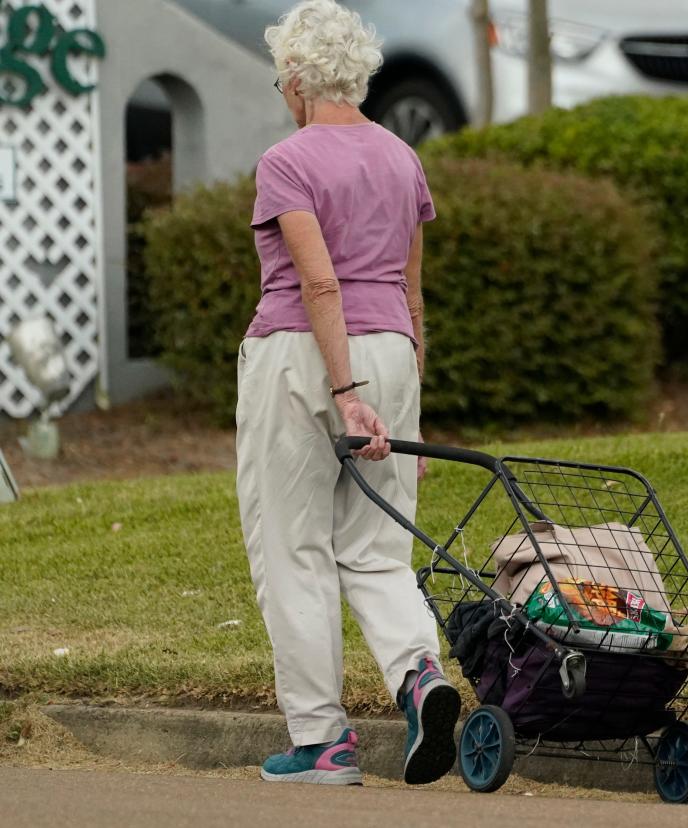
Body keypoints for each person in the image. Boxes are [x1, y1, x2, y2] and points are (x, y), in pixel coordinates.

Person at [234, 0, 459, 786]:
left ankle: (322, 740)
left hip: (304, 358)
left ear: (296, 76)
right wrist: (405, 416)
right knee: (376, 546)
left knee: (293, 547)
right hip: (395, 352)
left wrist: (345, 390)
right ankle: (420, 677)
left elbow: (318, 282)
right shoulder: (404, 157)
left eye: (278, 81)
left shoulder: (287, 161)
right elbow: (412, 293)